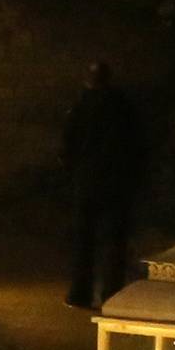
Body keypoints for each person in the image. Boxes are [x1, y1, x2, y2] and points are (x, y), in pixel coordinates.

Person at [61, 58, 142, 309]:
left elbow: (68, 144)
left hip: (87, 180)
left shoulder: (80, 106)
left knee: (83, 240)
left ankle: (79, 293)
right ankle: (111, 295)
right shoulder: (122, 107)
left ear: (89, 79)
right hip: (116, 182)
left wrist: (74, 168)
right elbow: (136, 144)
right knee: (114, 242)